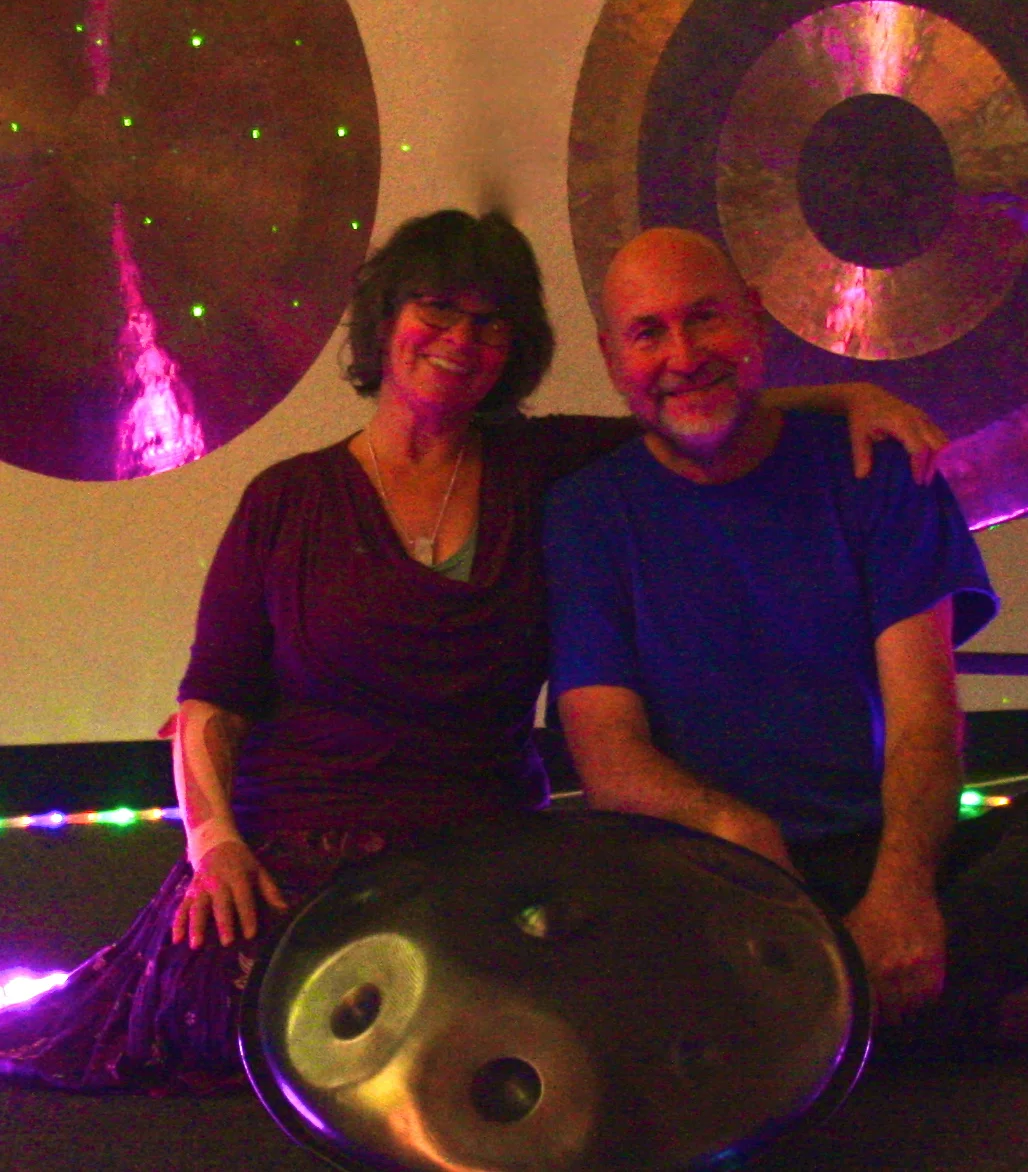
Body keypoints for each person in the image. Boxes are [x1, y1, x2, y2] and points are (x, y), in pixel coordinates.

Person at [0, 210, 946, 1093]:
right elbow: (211, 697)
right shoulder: (286, 499)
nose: (461, 337)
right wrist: (215, 848)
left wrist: (845, 396)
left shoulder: (544, 470)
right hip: (290, 841)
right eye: (438, 308)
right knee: (266, 1022)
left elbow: (687, 402)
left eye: (491, 323)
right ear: (387, 320)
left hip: (477, 850)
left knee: (513, 1032)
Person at [544, 225, 1028, 1046]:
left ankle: (815, 1019)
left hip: (887, 851)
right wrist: (735, 828)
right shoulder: (586, 512)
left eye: (705, 319)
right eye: (648, 333)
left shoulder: (876, 468)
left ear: (754, 319)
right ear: (609, 355)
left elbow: (923, 722)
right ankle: (984, 1011)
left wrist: (900, 892)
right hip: (713, 879)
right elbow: (609, 759)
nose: (682, 355)